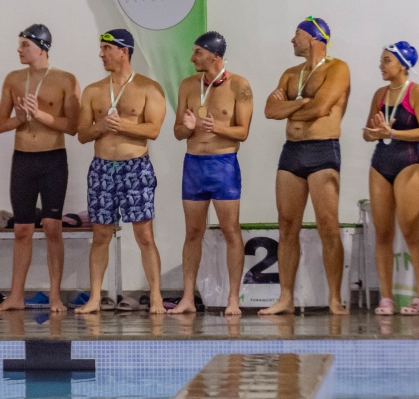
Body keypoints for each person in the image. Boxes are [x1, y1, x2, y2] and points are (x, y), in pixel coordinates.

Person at [261, 17, 350, 315]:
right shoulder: (290, 74)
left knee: (328, 227)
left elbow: (322, 107)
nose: (291, 40)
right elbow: (269, 110)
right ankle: (286, 297)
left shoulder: (338, 69)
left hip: (323, 149)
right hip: (291, 153)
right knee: (286, 227)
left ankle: (335, 298)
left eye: (296, 34)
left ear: (314, 37)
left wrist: (292, 107)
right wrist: (302, 104)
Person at [75, 29, 167, 315]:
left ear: (123, 51)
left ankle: (155, 297)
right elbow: (81, 133)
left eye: (106, 48)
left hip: (135, 167)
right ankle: (94, 298)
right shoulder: (93, 90)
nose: (101, 54)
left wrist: (122, 125)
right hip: (102, 168)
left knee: (145, 235)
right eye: (101, 48)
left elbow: (153, 129)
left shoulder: (149, 88)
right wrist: (101, 127)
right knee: (101, 234)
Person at [0, 24, 80, 313]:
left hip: (53, 159)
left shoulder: (66, 79)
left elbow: (73, 126)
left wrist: (39, 114)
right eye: (19, 45)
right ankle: (16, 295)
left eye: (24, 45)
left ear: (42, 48)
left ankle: (55, 295)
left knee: (53, 228)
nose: (18, 50)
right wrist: (20, 118)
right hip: (23, 160)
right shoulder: (13, 79)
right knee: (21, 230)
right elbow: (0, 125)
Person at [171, 31, 253, 317]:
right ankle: (187, 298)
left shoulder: (239, 85)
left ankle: (233, 299)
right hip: (193, 164)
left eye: (198, 53)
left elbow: (242, 132)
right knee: (192, 232)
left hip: (223, 164)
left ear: (214, 56)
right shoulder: (187, 85)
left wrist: (214, 127)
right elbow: (177, 131)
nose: (192, 58)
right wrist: (190, 127)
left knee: (231, 231)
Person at [362, 41, 419, 316]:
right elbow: (368, 132)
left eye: (386, 60)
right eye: (381, 60)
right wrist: (375, 133)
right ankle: (387, 298)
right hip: (380, 164)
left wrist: (392, 134)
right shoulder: (380, 94)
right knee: (382, 233)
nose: (381, 65)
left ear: (403, 65)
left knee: (410, 232)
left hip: (408, 164)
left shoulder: (418, 93)